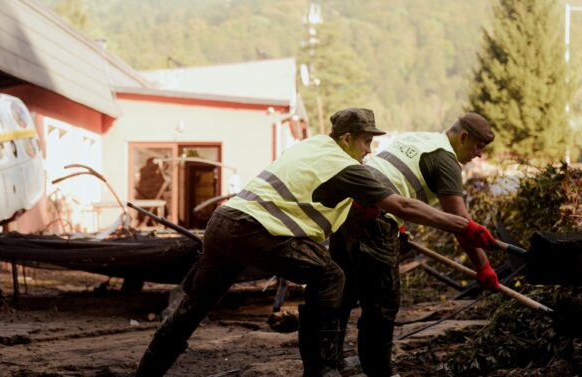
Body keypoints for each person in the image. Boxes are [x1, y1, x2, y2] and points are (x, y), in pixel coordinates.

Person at [134, 108, 498, 377]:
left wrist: (370, 210)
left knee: (197, 303)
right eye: (366, 141)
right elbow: (400, 203)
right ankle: (323, 370)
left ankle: (148, 369)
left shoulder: (309, 147)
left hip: (223, 224)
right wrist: (464, 227)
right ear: (347, 139)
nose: (370, 151)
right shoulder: (350, 167)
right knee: (331, 278)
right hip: (258, 231)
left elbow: (327, 192)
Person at [329, 112, 498, 377]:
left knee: (344, 289)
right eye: (478, 146)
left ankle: (331, 362)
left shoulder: (422, 138)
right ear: (463, 137)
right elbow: (461, 224)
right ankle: (380, 372)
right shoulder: (447, 161)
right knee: (382, 303)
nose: (478, 154)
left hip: (348, 205)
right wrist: (483, 267)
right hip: (374, 216)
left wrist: (400, 225)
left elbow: (394, 177)